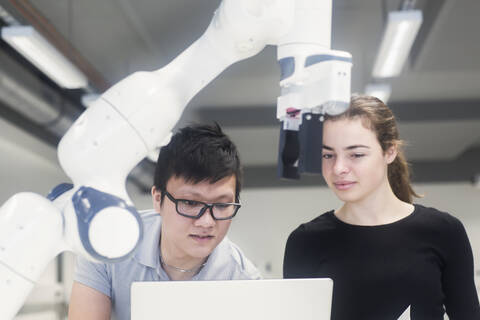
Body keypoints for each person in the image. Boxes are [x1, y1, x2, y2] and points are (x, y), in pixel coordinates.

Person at [283, 95, 480, 319]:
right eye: (328, 155)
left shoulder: (444, 231)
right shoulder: (305, 242)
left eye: (356, 155)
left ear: (389, 151)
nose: (338, 168)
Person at [68, 123, 261, 320]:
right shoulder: (109, 246)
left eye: (221, 205)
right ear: (158, 199)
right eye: (189, 202)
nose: (206, 222)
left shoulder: (243, 280)